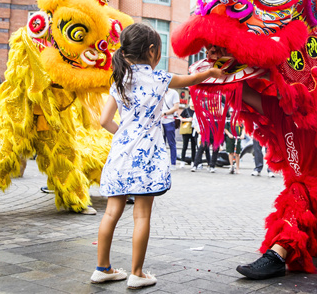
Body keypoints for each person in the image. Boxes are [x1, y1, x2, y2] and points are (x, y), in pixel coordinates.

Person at [91, 23, 222, 287]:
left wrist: (124, 135)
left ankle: (102, 269)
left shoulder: (119, 80)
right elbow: (192, 80)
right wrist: (213, 71)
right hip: (146, 158)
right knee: (141, 216)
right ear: (152, 51)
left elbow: (105, 120)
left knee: (110, 213)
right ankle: (136, 274)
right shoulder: (159, 79)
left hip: (119, 155)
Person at [162, 88, 180, 169]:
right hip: (159, 121)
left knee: (171, 143)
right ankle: (162, 162)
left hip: (169, 120)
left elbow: (176, 107)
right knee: (161, 143)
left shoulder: (173, 93)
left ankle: (173, 163)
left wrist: (165, 113)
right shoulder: (159, 91)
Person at [179, 100, 196, 168]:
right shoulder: (186, 110)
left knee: (193, 146)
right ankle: (182, 161)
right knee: (184, 146)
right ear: (189, 102)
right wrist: (187, 119)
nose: (192, 103)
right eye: (191, 101)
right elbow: (180, 118)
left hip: (194, 130)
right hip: (186, 130)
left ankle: (193, 161)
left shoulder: (197, 111)